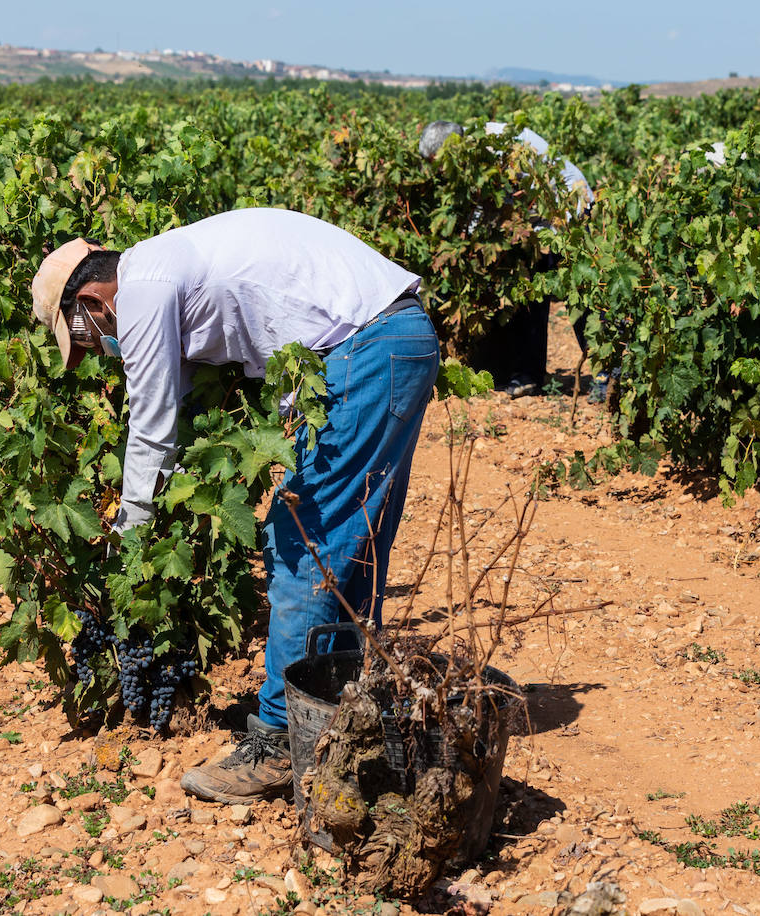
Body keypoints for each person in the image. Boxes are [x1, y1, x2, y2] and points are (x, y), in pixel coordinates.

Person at [31, 207, 440, 803]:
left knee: (302, 542)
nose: (98, 353)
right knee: (354, 549)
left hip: (364, 353)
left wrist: (129, 540)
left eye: (87, 338)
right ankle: (347, 724)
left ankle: (278, 744)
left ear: (94, 302)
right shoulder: (171, 265)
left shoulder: (142, 289)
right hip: (395, 341)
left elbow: (151, 431)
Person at [419, 120, 594, 397]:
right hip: (536, 221)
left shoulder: (494, 147)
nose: (439, 170)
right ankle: (526, 376)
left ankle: (610, 373)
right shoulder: (470, 153)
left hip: (570, 209)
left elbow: (501, 200)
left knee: (580, 294)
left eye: (438, 162)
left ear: (452, 148)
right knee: (527, 294)